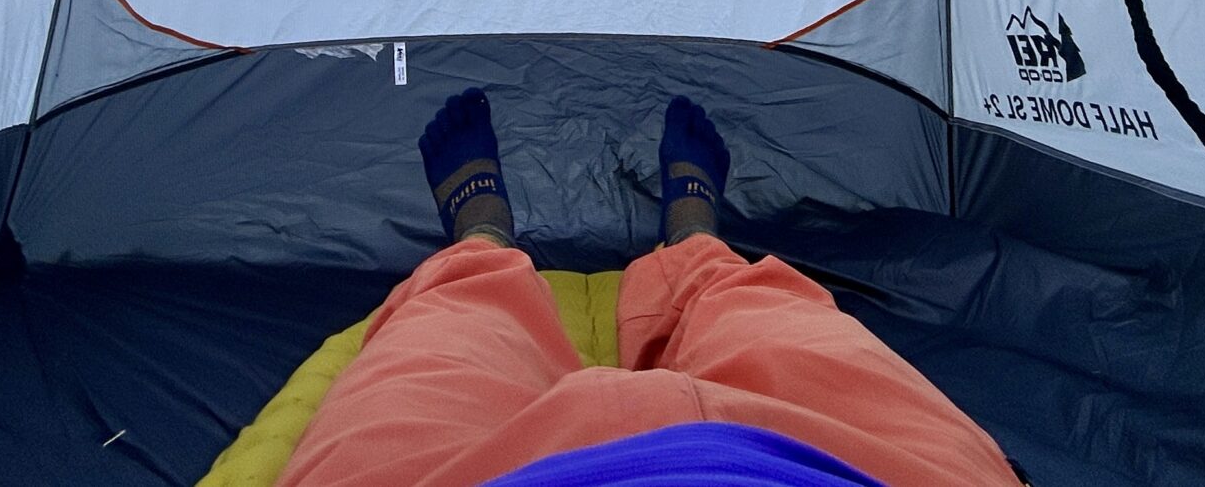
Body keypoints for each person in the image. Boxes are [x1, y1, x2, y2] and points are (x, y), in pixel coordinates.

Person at [275, 90, 1020, 487]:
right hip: (867, 470)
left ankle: (481, 240)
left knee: (449, 321)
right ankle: (694, 236)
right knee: (763, 306)